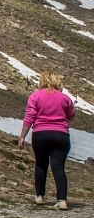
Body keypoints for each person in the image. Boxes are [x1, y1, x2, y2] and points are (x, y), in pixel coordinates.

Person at [18, 70, 76, 210]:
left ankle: (40, 196)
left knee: (41, 164)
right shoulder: (65, 98)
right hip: (61, 134)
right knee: (58, 166)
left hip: (41, 133)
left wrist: (22, 136)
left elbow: (30, 116)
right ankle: (62, 200)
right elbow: (71, 115)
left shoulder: (36, 96)